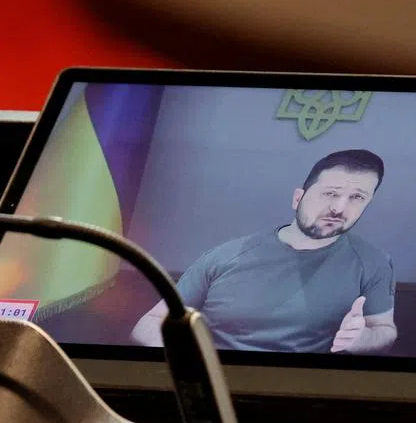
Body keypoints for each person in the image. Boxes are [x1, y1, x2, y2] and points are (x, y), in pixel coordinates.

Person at [131, 149, 397, 353]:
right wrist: (189, 355)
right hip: (217, 380)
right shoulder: (225, 256)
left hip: (308, 388)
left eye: (357, 197)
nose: (339, 208)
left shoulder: (373, 263)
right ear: (298, 198)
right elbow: (150, 322)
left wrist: (361, 339)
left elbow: (384, 329)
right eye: (330, 193)